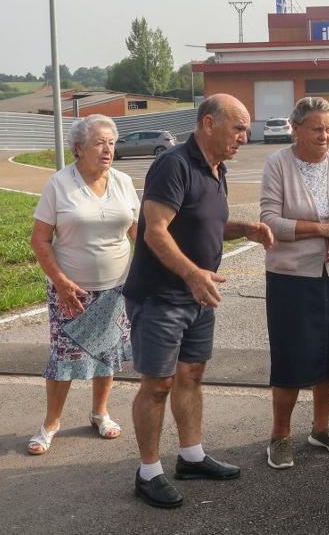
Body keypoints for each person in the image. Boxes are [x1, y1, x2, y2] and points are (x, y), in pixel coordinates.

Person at [122, 95, 275, 509]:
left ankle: (191, 457)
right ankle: (148, 472)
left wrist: (243, 228)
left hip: (198, 295)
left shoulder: (216, 168)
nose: (245, 137)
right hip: (162, 296)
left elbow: (206, 221)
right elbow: (155, 230)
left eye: (245, 129)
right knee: (158, 384)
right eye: (238, 128)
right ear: (209, 123)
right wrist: (191, 274)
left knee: (191, 375)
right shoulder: (174, 164)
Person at [259, 97, 329, 469]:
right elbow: (270, 221)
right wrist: (324, 229)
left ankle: (321, 429)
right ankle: (280, 435)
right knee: (292, 355)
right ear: (297, 129)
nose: (325, 135)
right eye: (317, 128)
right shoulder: (278, 164)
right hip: (291, 278)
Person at [26, 114, 138, 455]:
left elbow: (137, 231)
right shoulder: (60, 184)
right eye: (99, 143)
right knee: (63, 358)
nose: (107, 150)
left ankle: (100, 413)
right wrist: (60, 282)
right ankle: (50, 424)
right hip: (70, 290)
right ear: (78, 148)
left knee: (107, 352)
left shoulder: (122, 181)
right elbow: (40, 240)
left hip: (116, 287)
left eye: (112, 143)